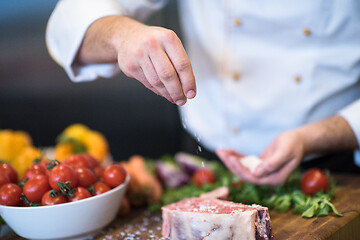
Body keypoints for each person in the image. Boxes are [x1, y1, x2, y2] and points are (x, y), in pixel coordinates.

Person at [46, 0, 360, 186]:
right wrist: (121, 34)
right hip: (206, 165)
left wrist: (312, 138)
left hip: (335, 166)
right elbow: (67, 22)